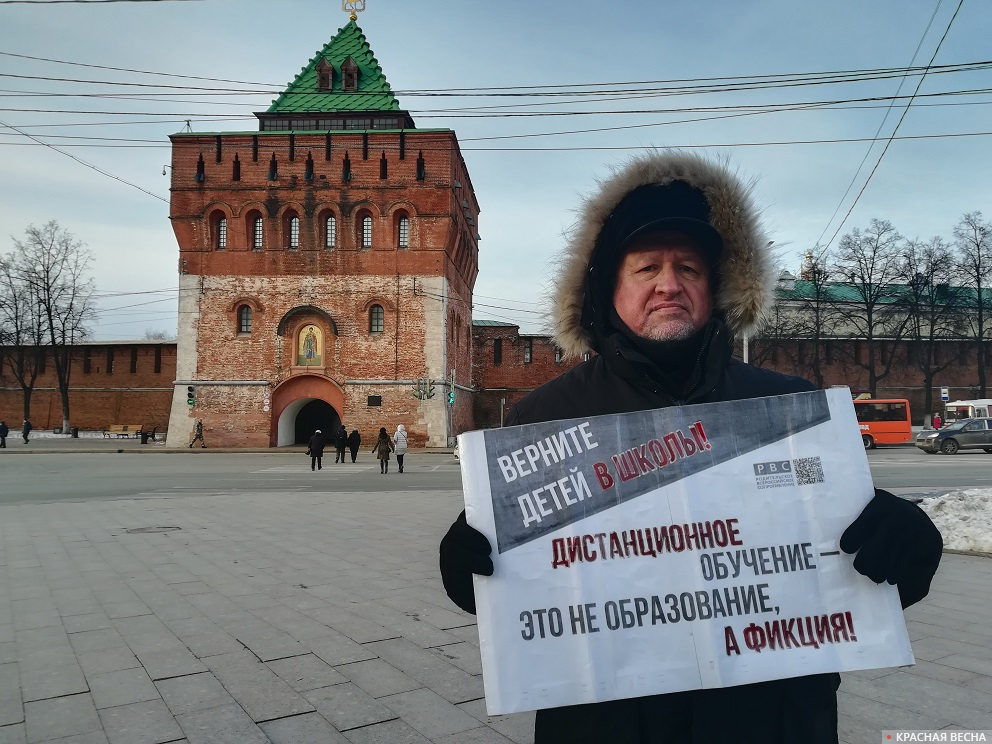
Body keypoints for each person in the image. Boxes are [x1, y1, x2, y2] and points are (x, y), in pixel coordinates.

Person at [438, 151, 943, 744]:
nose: (669, 284)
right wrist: (472, 566)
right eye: (646, 266)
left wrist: (908, 543)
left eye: (690, 269)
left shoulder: (787, 408)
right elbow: (525, 604)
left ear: (719, 286)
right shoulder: (545, 418)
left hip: (767, 723)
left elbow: (844, 576)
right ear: (608, 287)